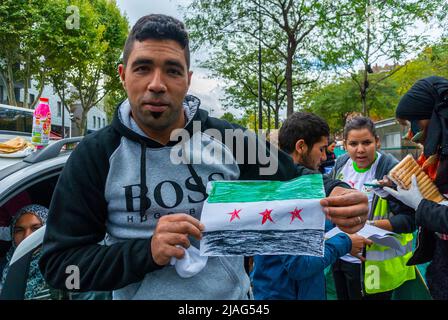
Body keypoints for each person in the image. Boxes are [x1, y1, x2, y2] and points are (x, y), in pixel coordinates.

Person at [38, 14, 368, 300]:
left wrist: (338, 191)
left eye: (172, 70)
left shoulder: (229, 140)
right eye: (143, 68)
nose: (157, 84)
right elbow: (60, 267)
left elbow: (295, 179)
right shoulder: (95, 156)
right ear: (123, 75)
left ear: (188, 80)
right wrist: (147, 252)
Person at [251, 112, 372, 300]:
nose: (324, 157)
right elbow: (299, 265)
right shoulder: (284, 194)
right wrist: (346, 242)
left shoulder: (293, 186)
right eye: (321, 149)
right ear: (301, 146)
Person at [330, 116, 417, 300]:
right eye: (353, 143)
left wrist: (368, 227)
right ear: (344, 145)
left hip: (374, 267)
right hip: (341, 257)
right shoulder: (340, 165)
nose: (360, 150)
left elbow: (411, 220)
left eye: (367, 142)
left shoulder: (393, 169)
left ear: (377, 142)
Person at [382, 75, 448, 300]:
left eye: (414, 123)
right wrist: (395, 195)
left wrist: (420, 203)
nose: (411, 134)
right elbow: (424, 214)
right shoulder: (436, 159)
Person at [0, 205, 53, 300]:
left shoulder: (62, 265)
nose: (27, 236)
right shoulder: (5, 267)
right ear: (12, 234)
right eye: (19, 230)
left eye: (36, 229)